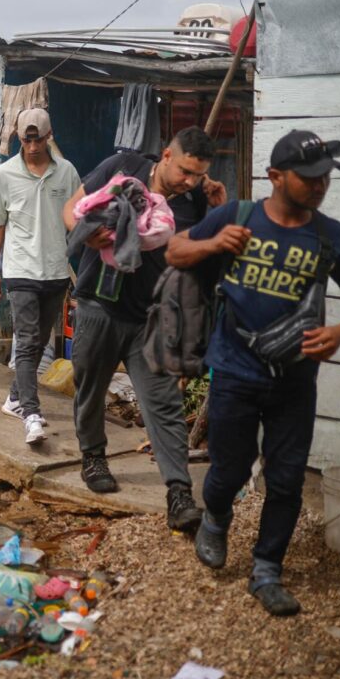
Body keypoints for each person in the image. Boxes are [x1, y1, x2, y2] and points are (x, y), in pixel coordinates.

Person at [167, 130, 340, 616]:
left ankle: (267, 570)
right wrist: (214, 242)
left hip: (295, 381)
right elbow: (175, 251)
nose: (320, 186)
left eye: (325, 177)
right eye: (309, 178)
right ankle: (216, 517)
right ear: (276, 177)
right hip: (236, 372)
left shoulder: (331, 236)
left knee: (285, 479)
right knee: (228, 471)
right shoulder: (236, 216)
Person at [62, 126, 227, 532]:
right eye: (186, 171)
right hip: (99, 304)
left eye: (198, 174)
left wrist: (222, 208)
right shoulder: (123, 168)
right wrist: (88, 235)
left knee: (164, 404)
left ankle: (179, 493)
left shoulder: (195, 203)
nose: (189, 181)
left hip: (149, 318)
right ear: (167, 155)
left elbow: (207, 256)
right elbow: (71, 211)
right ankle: (93, 456)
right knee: (90, 388)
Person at [0, 109, 79, 444]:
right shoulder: (5, 174)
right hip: (20, 271)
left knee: (38, 341)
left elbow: (77, 218)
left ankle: (13, 398)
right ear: (19, 138)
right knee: (25, 342)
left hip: (55, 271)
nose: (33, 145)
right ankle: (31, 413)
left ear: (49, 135)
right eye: (27, 138)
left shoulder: (67, 173)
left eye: (38, 138)